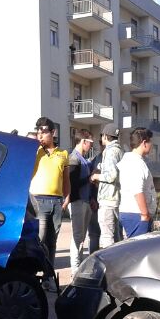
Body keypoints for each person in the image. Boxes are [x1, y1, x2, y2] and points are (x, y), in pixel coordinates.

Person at [29, 116, 70, 280]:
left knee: (52, 242)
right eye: (38, 131)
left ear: (53, 132)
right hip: (38, 201)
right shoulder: (35, 151)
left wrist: (67, 198)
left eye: (44, 132)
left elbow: (65, 179)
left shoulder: (63, 153)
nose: (40, 135)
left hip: (57, 202)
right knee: (39, 241)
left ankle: (49, 276)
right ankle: (30, 275)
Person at [117, 127, 157, 238]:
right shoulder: (136, 163)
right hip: (136, 214)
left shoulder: (132, 160)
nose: (151, 146)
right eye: (150, 143)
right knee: (139, 252)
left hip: (134, 213)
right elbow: (137, 190)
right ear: (144, 143)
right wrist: (145, 215)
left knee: (136, 250)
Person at [90, 123, 123, 247]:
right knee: (117, 235)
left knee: (107, 236)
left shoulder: (110, 151)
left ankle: (110, 265)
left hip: (108, 199)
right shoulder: (120, 150)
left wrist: (96, 176)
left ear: (105, 136)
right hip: (116, 198)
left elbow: (111, 176)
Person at [66, 128, 94, 274]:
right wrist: (89, 179)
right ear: (83, 142)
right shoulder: (74, 159)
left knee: (81, 237)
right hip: (77, 202)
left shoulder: (82, 160)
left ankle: (79, 268)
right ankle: (75, 270)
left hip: (84, 202)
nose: (91, 146)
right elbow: (72, 183)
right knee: (78, 237)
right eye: (90, 142)